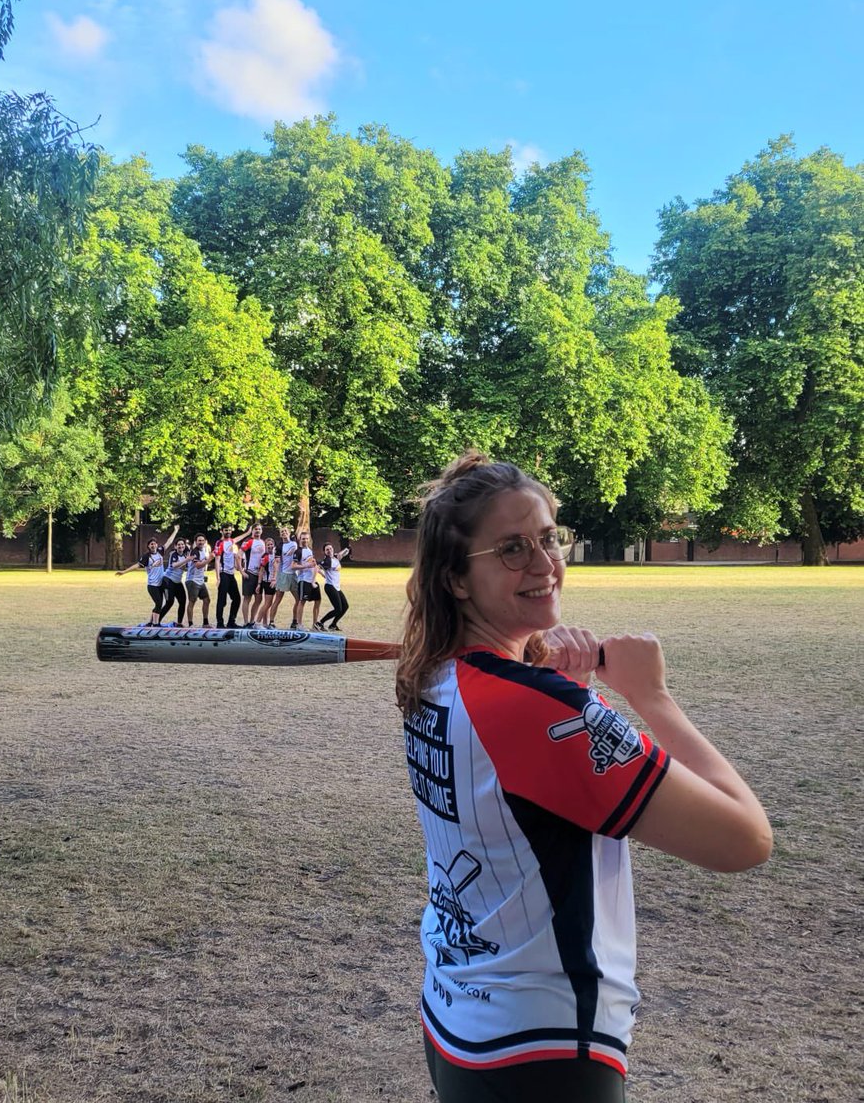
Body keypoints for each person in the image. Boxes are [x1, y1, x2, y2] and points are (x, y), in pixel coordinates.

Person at [396, 452, 772, 1103]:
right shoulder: (534, 708)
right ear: (457, 579)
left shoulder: (433, 678)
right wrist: (652, 696)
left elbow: (523, 783)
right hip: (545, 1051)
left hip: (460, 1016)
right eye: (512, 550)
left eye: (548, 539)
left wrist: (558, 689)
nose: (545, 565)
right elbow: (743, 839)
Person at [115, 524, 180, 624]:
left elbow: (169, 542)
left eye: (154, 544)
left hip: (161, 583)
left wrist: (175, 531)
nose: (153, 545)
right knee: (158, 604)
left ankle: (152, 622)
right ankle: (155, 624)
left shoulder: (160, 552)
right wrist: (124, 572)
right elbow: (136, 565)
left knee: (160, 604)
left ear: (157, 545)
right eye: (151, 544)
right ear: (148, 546)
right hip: (152, 585)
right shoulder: (146, 557)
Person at [268, 525, 299, 627]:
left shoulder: (294, 543)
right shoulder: (279, 547)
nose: (284, 533)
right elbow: (276, 562)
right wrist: (275, 577)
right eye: (282, 532)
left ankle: (294, 622)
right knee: (277, 600)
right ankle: (271, 622)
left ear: (289, 533)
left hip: (293, 575)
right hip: (283, 575)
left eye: (285, 531)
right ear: (280, 535)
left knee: (299, 599)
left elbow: (296, 548)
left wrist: (294, 548)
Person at [214, 524, 245, 628]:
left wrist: (249, 532)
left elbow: (238, 538)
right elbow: (217, 561)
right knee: (222, 600)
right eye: (226, 530)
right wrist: (218, 577)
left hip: (231, 575)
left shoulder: (231, 542)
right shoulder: (220, 543)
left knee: (237, 598)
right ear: (221, 531)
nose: (228, 531)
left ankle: (231, 622)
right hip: (224, 574)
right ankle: (220, 623)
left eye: (229, 530)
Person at [291, 531, 322, 630]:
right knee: (302, 601)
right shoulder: (298, 551)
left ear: (309, 540)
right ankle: (299, 624)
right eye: (303, 538)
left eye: (307, 538)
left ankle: (314, 624)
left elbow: (312, 563)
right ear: (300, 539)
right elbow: (293, 566)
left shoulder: (309, 550)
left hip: (312, 580)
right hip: (303, 580)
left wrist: (319, 570)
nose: (305, 540)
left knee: (318, 600)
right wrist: (306, 566)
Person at [239, 524, 266, 627]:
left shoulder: (263, 543)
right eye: (255, 529)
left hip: (259, 575)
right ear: (252, 531)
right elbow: (238, 555)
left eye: (259, 529)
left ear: (262, 531)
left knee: (258, 599)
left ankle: (252, 621)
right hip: (249, 573)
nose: (257, 531)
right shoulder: (249, 541)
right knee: (247, 598)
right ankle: (246, 622)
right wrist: (242, 571)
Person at [318, 543, 350, 630]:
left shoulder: (335, 557)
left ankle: (333, 625)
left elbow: (340, 554)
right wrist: (323, 575)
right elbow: (318, 567)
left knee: (345, 606)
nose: (329, 551)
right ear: (324, 552)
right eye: (327, 550)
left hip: (336, 587)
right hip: (330, 586)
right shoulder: (328, 560)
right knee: (338, 609)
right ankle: (320, 623)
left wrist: (346, 549)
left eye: (330, 548)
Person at [158, 537, 189, 626]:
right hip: (168, 581)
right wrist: (186, 560)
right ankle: (157, 621)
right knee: (169, 602)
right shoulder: (173, 554)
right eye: (178, 544)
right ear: (175, 546)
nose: (181, 546)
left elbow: (185, 567)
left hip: (177, 582)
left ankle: (179, 623)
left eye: (182, 544)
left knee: (183, 601)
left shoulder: (185, 555)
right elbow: (174, 565)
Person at [184, 533, 212, 627]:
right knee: (192, 601)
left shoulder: (204, 550)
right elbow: (198, 566)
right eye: (199, 540)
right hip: (192, 580)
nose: (201, 542)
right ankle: (190, 624)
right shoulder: (194, 552)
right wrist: (209, 559)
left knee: (207, 600)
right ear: (196, 542)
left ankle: (205, 623)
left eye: (202, 540)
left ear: (205, 542)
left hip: (200, 580)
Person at [254, 537, 278, 626]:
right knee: (268, 604)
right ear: (265, 546)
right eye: (268, 545)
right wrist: (259, 584)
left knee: (267, 604)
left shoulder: (275, 555)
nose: (270, 546)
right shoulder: (265, 556)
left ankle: (264, 624)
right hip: (268, 582)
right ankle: (257, 622)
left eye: (271, 544)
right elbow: (261, 570)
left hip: (272, 581)